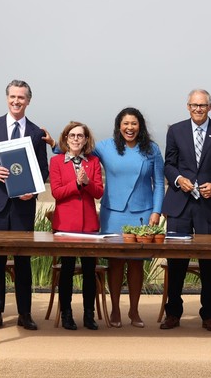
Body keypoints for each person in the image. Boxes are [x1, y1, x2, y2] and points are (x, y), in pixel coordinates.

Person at [45, 107, 164, 328]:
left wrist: (156, 211)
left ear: (141, 126)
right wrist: (54, 145)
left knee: (137, 265)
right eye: (125, 123)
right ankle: (116, 310)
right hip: (113, 213)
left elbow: (159, 183)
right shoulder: (105, 147)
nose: (130, 128)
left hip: (143, 212)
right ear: (119, 126)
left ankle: (135, 311)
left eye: (134, 123)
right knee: (115, 262)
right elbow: (77, 150)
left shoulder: (152, 150)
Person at [0, 80, 49, 330]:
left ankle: (25, 313)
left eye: (22, 97)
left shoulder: (36, 133)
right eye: (13, 96)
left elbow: (43, 170)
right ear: (7, 98)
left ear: (29, 100)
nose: (17, 101)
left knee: (24, 262)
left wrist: (33, 190)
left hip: (23, 207)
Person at [160, 89, 211, 332]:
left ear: (210, 107)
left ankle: (209, 315)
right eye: (194, 105)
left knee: (208, 264)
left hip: (209, 206)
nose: (198, 109)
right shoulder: (176, 130)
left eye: (202, 105)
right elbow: (168, 164)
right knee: (176, 264)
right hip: (179, 206)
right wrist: (179, 179)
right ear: (187, 106)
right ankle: (173, 314)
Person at [50, 121, 104, 330]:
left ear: (85, 140)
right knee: (67, 270)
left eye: (80, 136)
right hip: (65, 225)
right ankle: (66, 314)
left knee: (90, 271)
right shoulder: (56, 162)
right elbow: (56, 192)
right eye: (71, 135)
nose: (75, 139)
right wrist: (76, 184)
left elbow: (99, 192)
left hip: (89, 226)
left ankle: (89, 315)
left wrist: (88, 182)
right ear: (65, 139)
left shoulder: (93, 161)